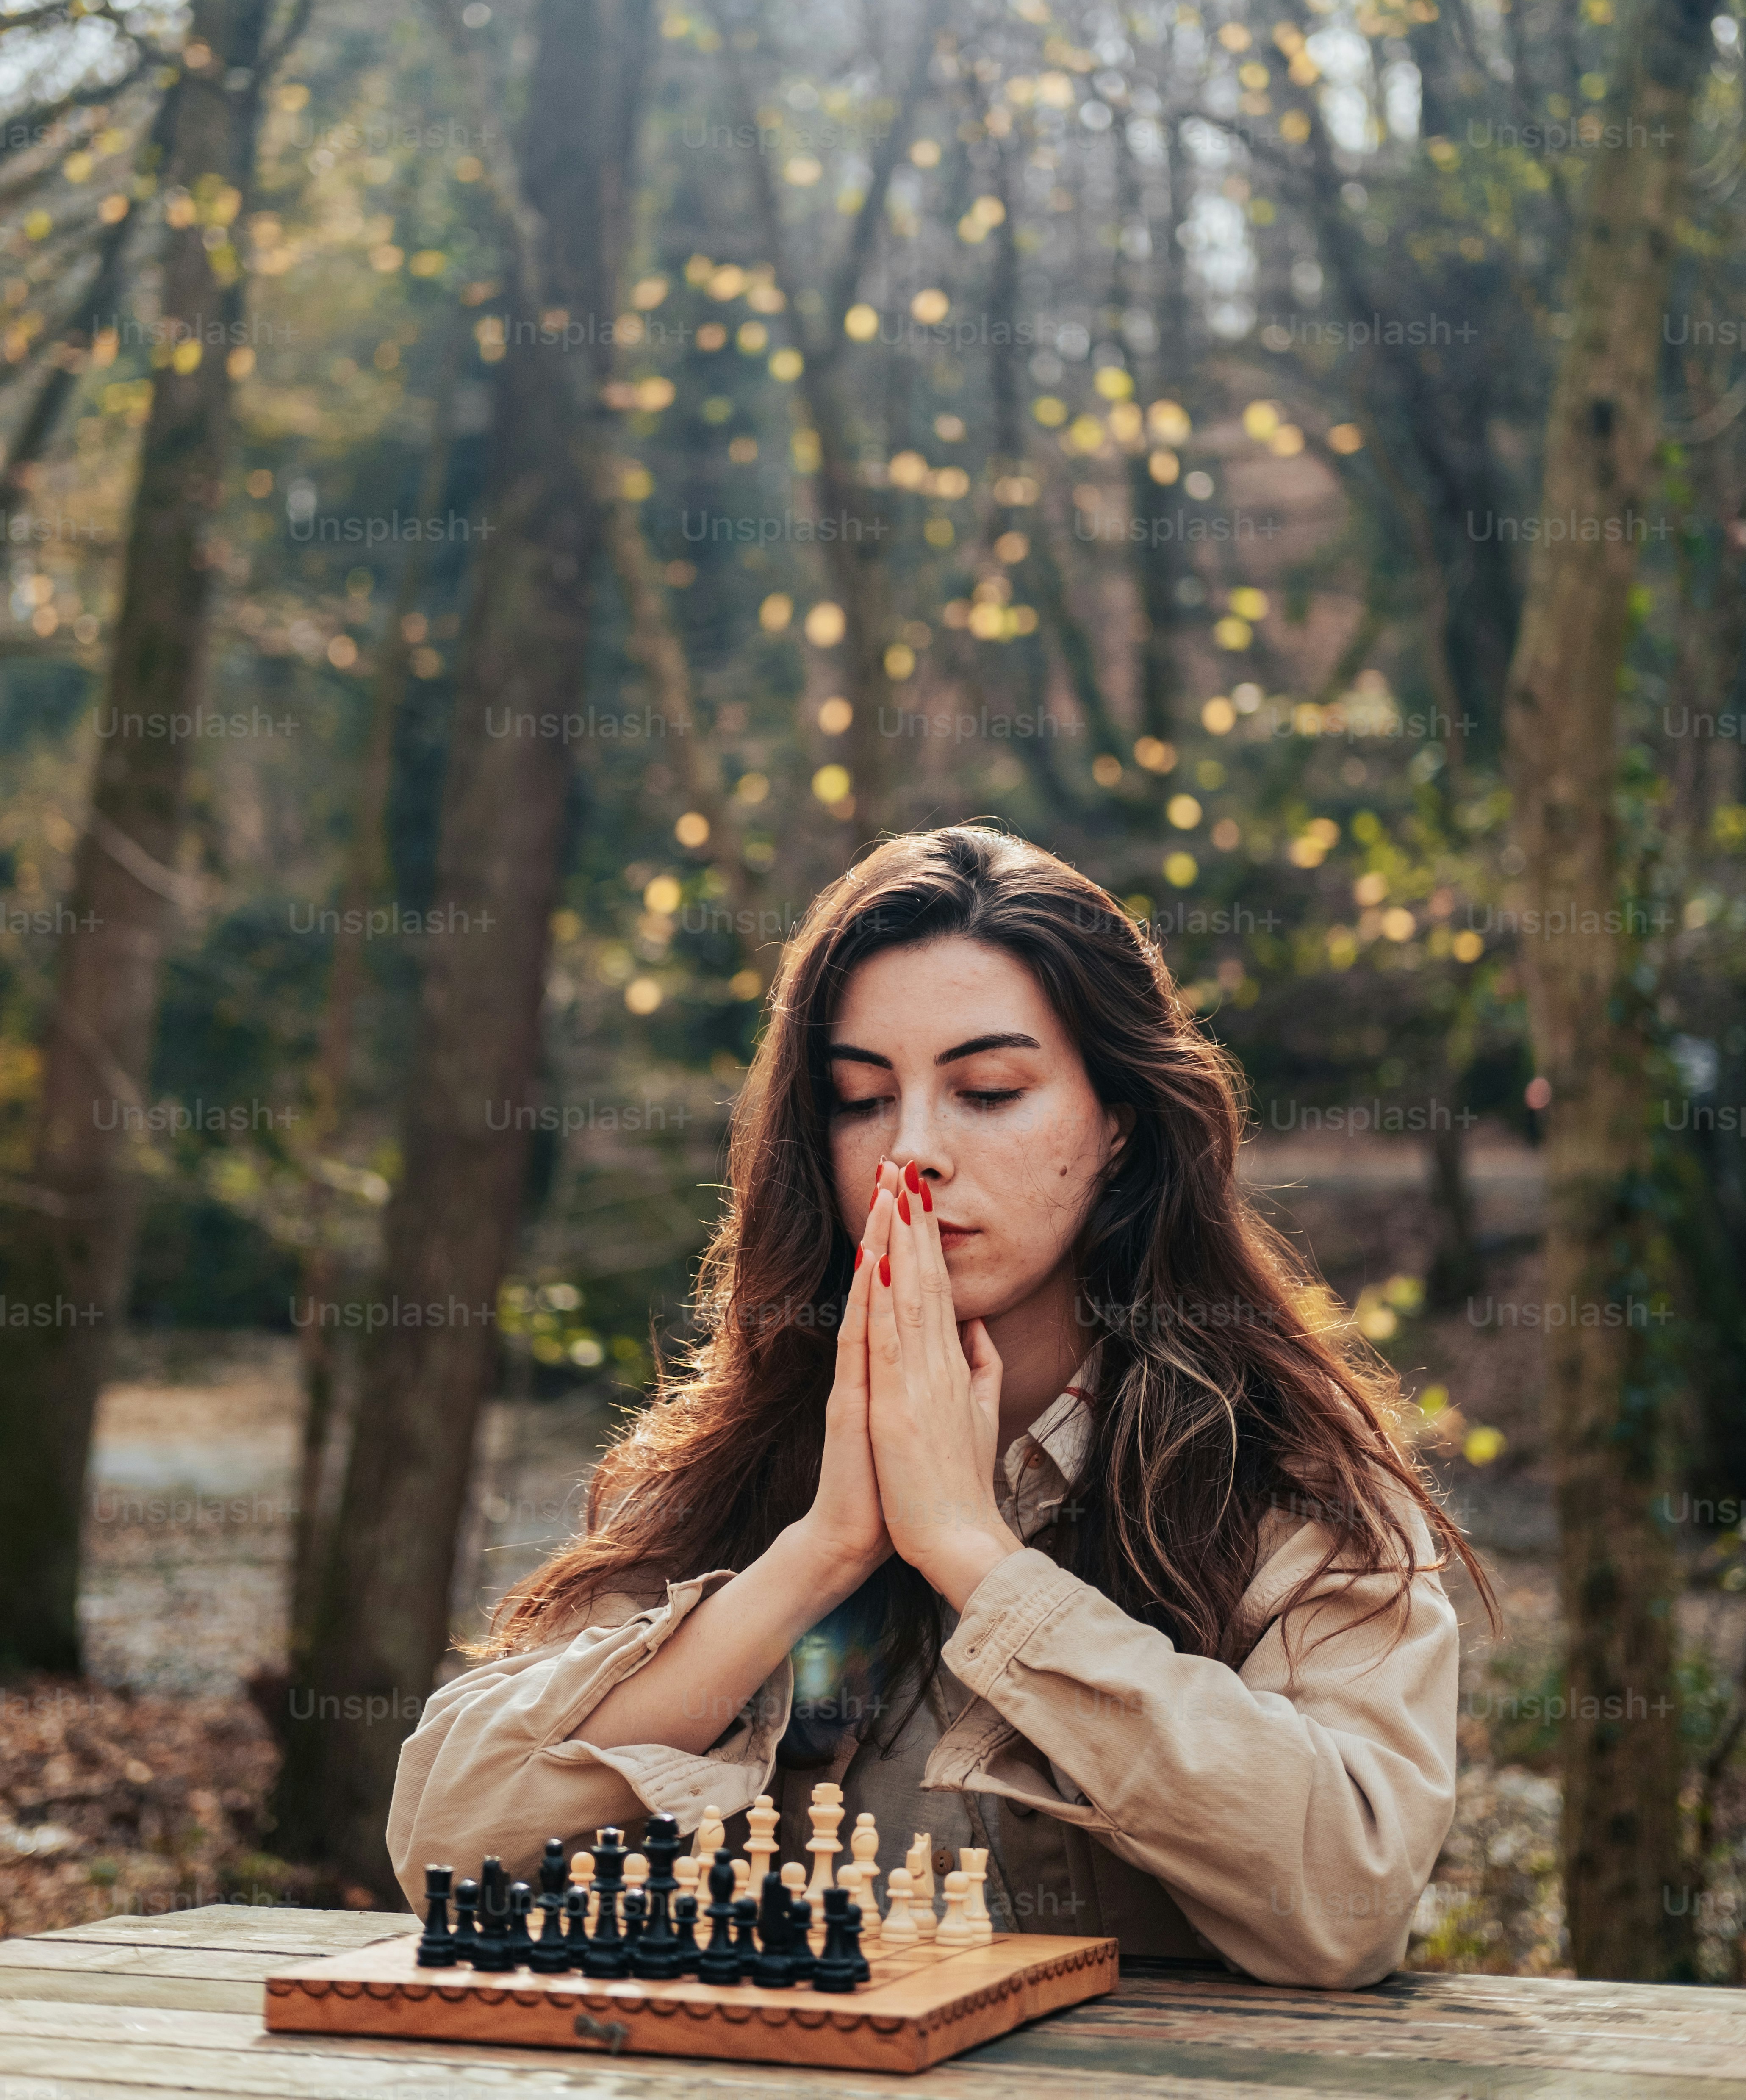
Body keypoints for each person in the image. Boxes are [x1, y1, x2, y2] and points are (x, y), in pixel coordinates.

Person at [388, 825, 1491, 1986]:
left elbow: (1350, 1905)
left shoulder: (1287, 1475)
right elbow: (447, 1844)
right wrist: (819, 1551)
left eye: (987, 1091)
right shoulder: (727, 1461)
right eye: (862, 1100)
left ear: (1118, 1122)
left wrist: (974, 1556)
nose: (911, 1152)